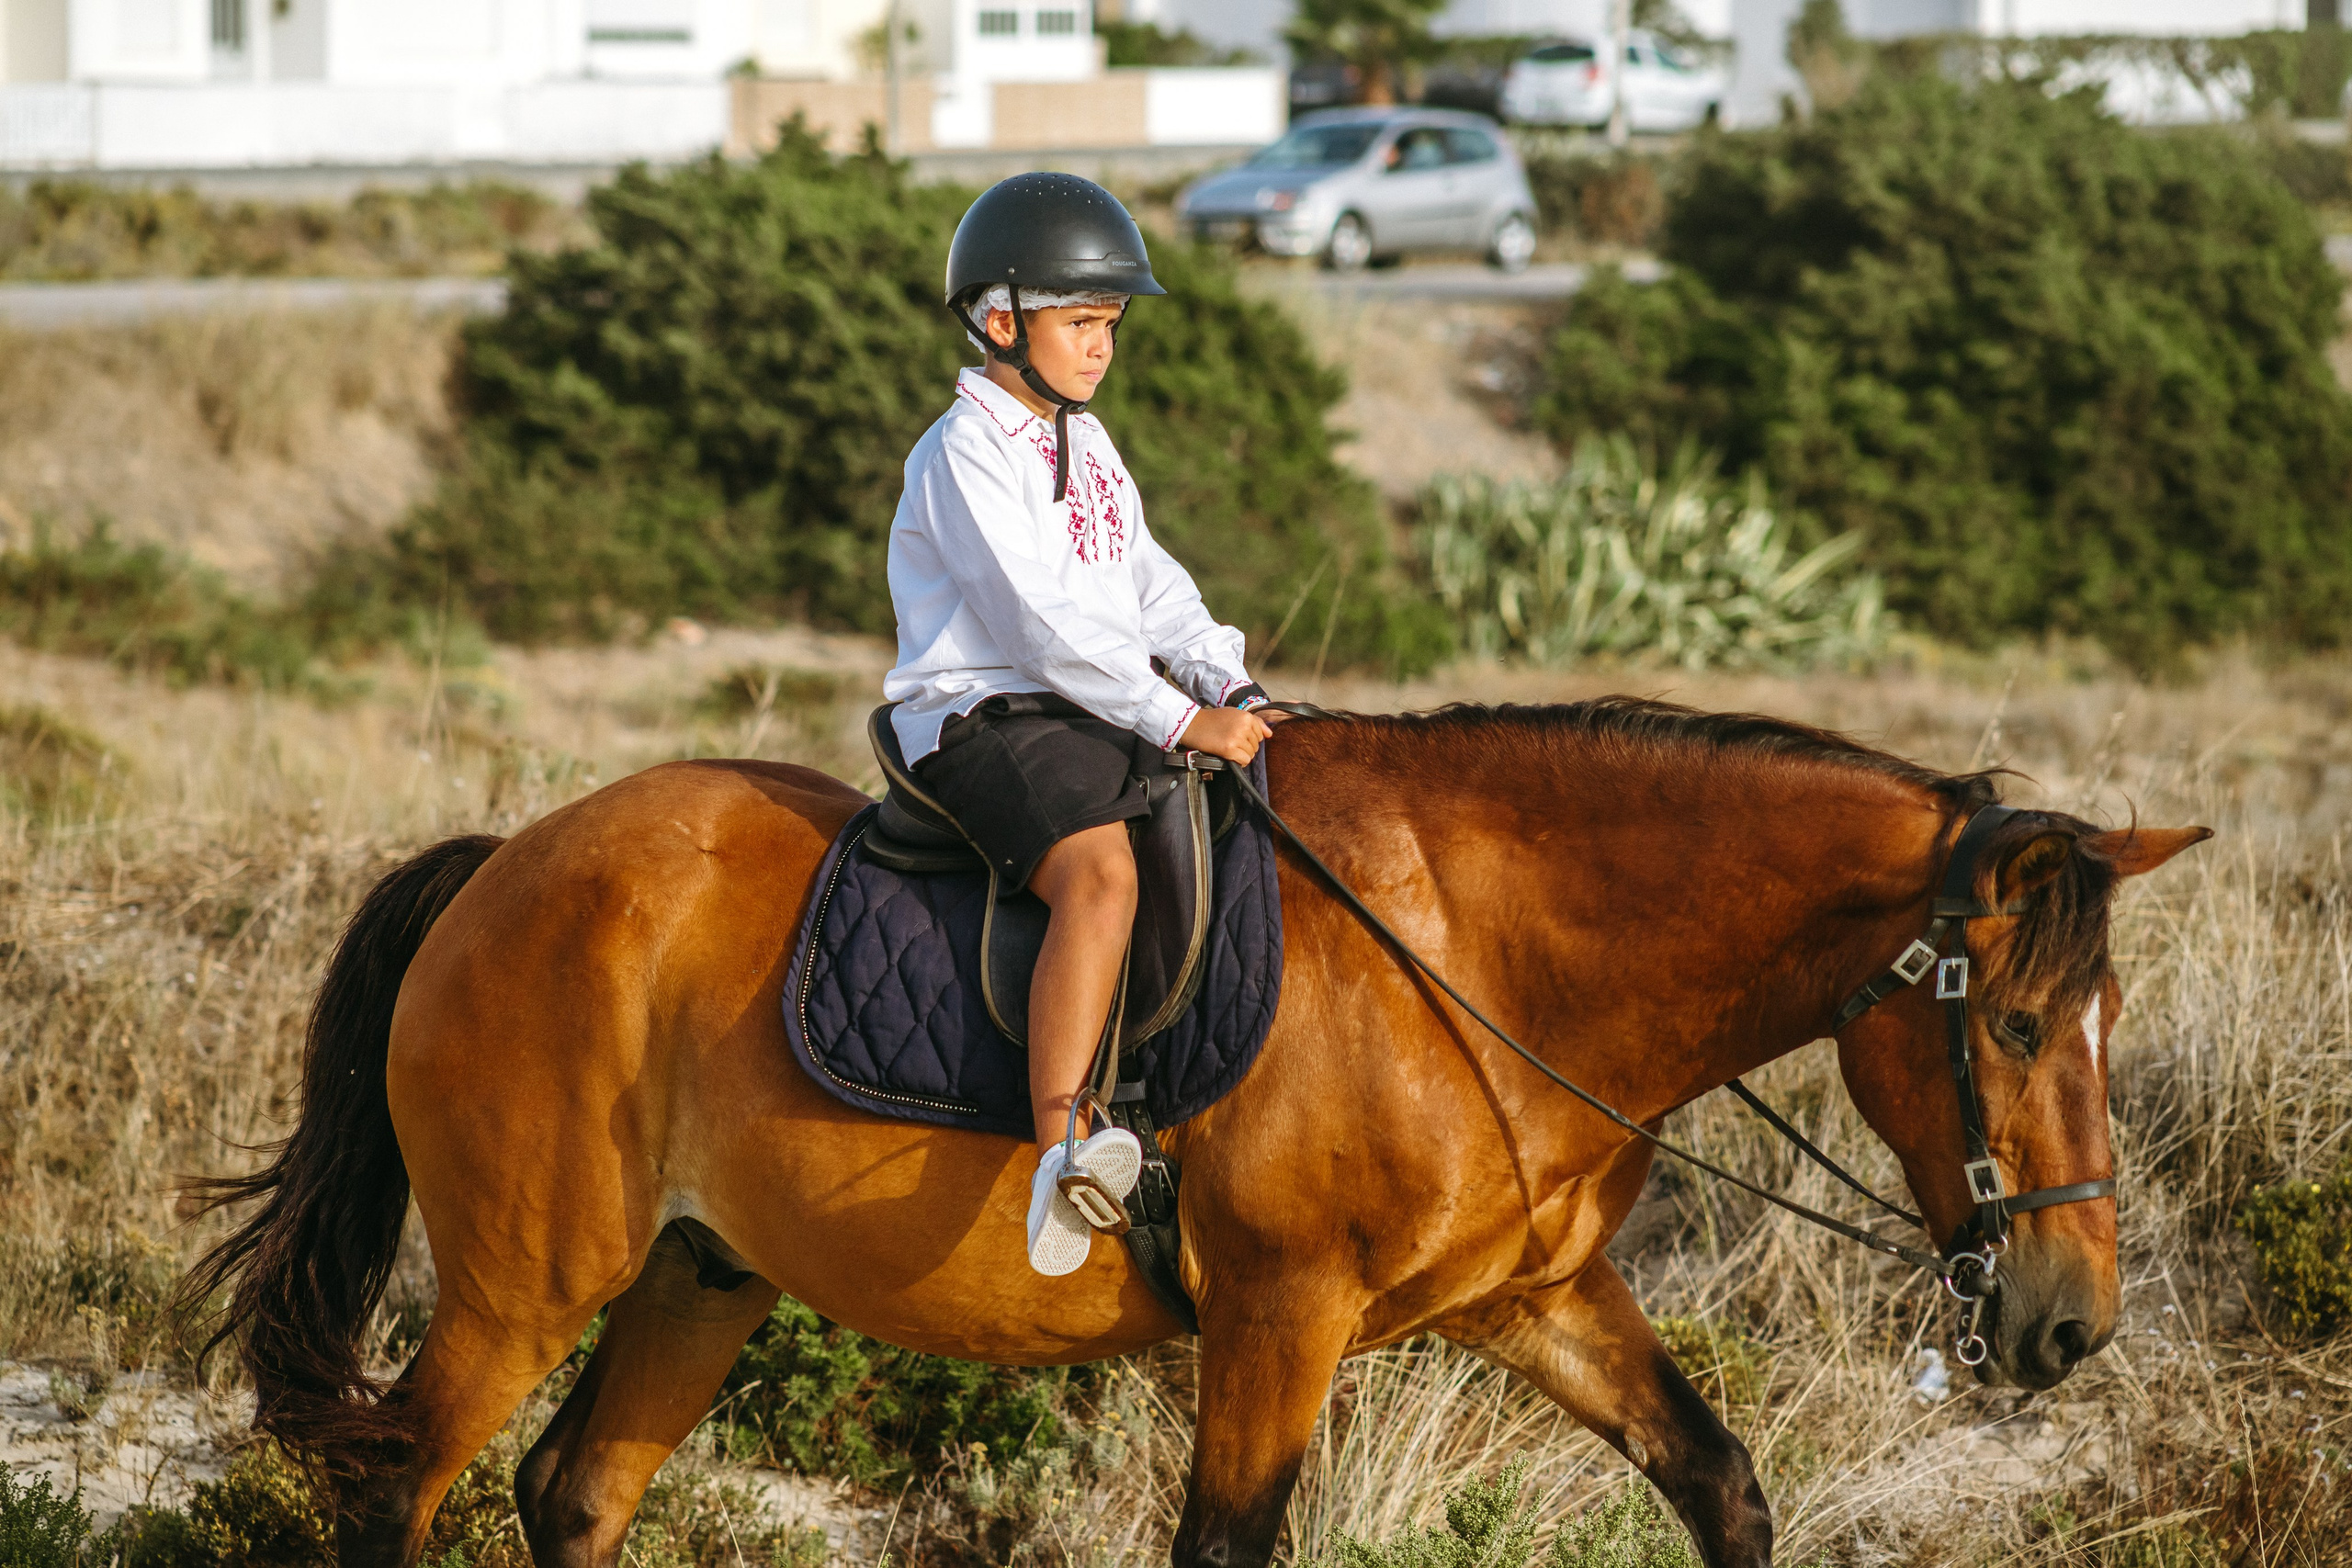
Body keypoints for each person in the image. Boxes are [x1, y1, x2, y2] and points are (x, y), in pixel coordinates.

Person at [884, 173, 1281, 1278]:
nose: (1101, 347)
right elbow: (1041, 624)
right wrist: (1174, 716)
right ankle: (1061, 1144)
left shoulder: (1086, 442)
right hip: (982, 712)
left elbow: (1150, 586)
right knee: (1101, 876)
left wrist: (1228, 682)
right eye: (1080, 324)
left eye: (1108, 325)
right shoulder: (964, 451)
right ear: (1000, 321)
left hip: (1081, 704)